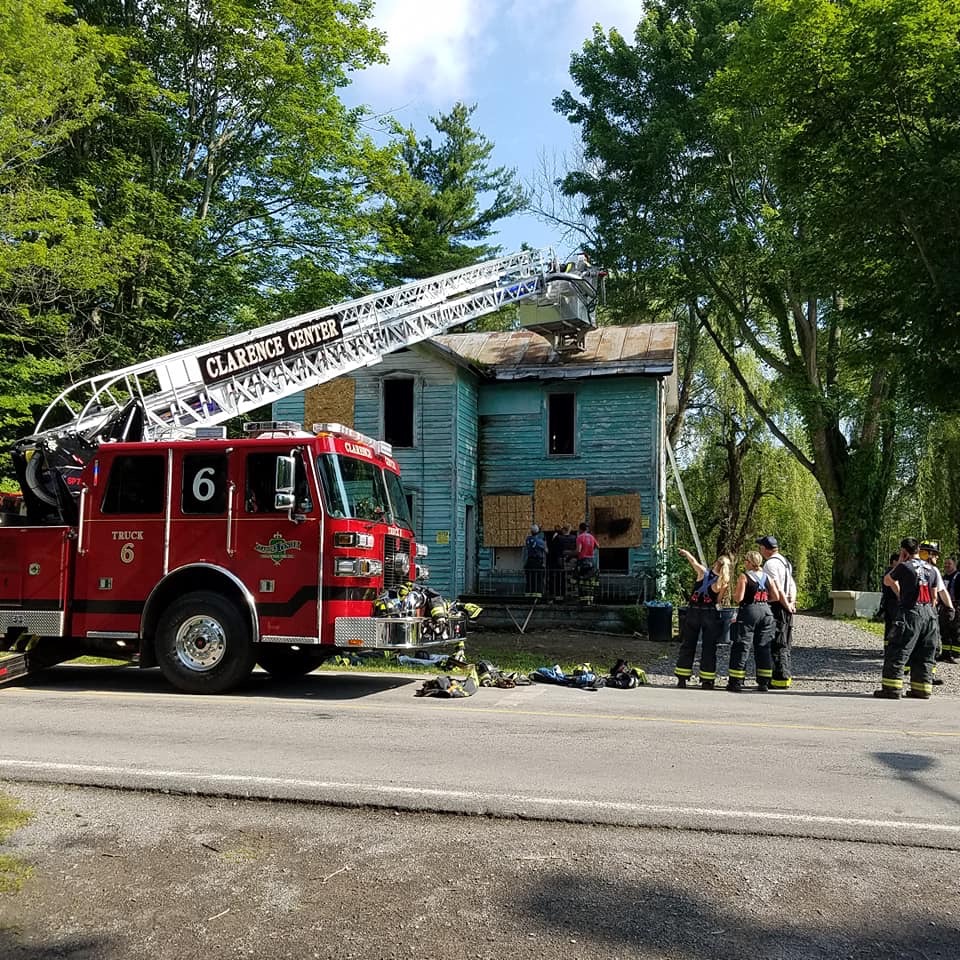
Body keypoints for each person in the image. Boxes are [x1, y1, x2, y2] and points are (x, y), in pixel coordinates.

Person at [875, 537, 954, 699]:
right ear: (918, 550)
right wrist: (949, 608)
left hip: (911, 612)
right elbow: (935, 594)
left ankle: (891, 689)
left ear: (904, 551)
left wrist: (899, 591)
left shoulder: (904, 566)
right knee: (925, 652)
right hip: (929, 614)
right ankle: (922, 688)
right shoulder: (932, 569)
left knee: (898, 649)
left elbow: (888, 580)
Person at [673, 549, 732, 689]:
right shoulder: (724, 581)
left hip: (693, 612)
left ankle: (682, 678)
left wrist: (686, 553)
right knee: (709, 647)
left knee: (688, 644)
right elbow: (718, 600)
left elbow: (693, 561)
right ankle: (707, 680)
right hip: (710, 614)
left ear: (715, 563)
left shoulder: (703, 572)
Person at [727, 551, 781, 692]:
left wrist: (733, 593)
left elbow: (738, 598)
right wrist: (763, 601)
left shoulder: (744, 577)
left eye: (745, 560)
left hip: (749, 612)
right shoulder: (767, 577)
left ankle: (736, 681)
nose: (744, 562)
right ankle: (763, 682)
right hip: (766, 612)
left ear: (750, 563)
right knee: (763, 647)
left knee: (742, 645)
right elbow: (775, 596)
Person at [756, 535, 797, 690]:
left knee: (776, 641)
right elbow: (792, 584)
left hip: (777, 605)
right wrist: (792, 603)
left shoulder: (770, 565)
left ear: (765, 549)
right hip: (786, 604)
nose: (760, 550)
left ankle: (779, 677)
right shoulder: (784, 562)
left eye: (760, 547)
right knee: (785, 640)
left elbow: (777, 588)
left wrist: (786, 605)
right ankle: (785, 675)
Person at [939, 555, 960, 663]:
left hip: (956, 606)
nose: (946, 565)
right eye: (945, 563)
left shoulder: (958, 577)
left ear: (955, 565)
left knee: (955, 631)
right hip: (944, 607)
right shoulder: (943, 577)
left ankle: (956, 653)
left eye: (949, 563)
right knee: (944, 630)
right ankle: (946, 653)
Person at [879, 552, 901, 649]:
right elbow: (893, 586)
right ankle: (892, 647)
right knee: (894, 624)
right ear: (894, 561)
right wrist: (900, 597)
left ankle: (887, 647)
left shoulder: (887, 572)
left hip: (887, 602)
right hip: (894, 602)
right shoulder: (892, 573)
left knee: (889, 626)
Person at [575, 522, 599, 605]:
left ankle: (583, 599)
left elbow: (578, 550)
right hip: (591, 560)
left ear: (580, 529)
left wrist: (570, 554)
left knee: (581, 579)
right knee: (589, 580)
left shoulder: (580, 537)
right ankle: (589, 599)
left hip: (583, 560)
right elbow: (598, 546)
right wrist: (591, 550)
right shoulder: (592, 537)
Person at [522, 524, 547, 598]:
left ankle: (528, 594)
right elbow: (546, 550)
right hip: (537, 562)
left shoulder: (528, 539)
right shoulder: (540, 541)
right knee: (538, 579)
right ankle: (537, 594)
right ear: (538, 532)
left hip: (529, 561)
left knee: (529, 579)